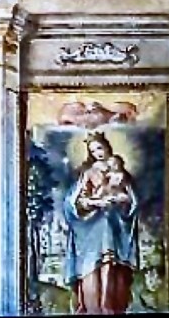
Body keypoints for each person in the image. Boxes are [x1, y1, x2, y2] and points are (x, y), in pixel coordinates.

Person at [64, 131, 139, 314]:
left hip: (114, 222)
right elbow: (77, 200)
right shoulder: (89, 172)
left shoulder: (119, 171)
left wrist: (120, 201)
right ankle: (95, 304)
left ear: (107, 147)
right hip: (93, 223)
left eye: (99, 148)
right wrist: (95, 202)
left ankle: (109, 302)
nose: (98, 153)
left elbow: (131, 199)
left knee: (110, 261)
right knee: (96, 259)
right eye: (93, 150)